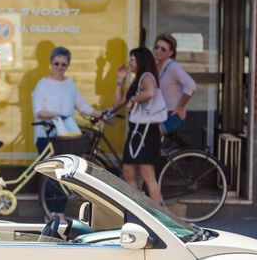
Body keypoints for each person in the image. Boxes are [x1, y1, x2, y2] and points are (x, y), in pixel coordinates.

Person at [32, 46, 103, 218]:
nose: (60, 67)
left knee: (64, 175)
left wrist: (100, 114)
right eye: (56, 63)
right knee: (52, 175)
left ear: (68, 65)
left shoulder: (69, 83)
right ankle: (52, 213)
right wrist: (57, 115)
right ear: (50, 63)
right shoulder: (43, 84)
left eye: (64, 64)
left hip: (67, 137)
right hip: (47, 135)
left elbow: (81, 104)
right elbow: (38, 111)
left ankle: (59, 213)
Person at [112, 47, 163, 204]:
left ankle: (158, 218)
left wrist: (134, 99)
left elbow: (150, 93)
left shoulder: (146, 76)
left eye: (133, 59)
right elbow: (118, 103)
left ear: (141, 60)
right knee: (128, 172)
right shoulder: (136, 80)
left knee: (147, 175)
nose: (130, 62)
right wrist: (120, 80)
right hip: (137, 131)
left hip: (146, 131)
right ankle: (140, 210)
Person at [153, 33, 196, 136]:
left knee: (150, 137)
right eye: (156, 47)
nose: (158, 50)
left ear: (170, 53)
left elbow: (191, 85)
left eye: (163, 49)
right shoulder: (155, 66)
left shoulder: (173, 67)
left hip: (171, 115)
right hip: (157, 114)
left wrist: (180, 107)